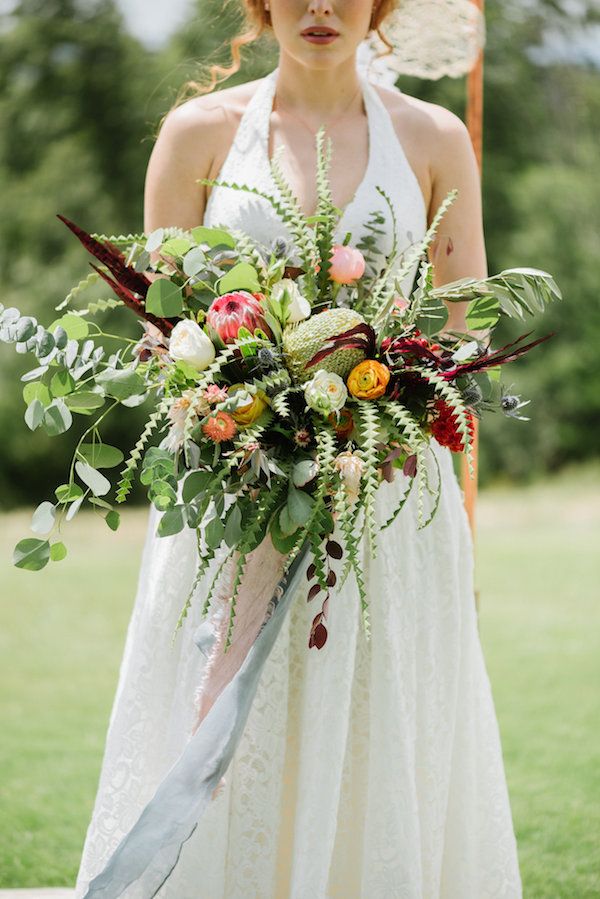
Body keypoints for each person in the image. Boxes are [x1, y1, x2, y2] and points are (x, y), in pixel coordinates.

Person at [75, 1, 523, 896]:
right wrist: (239, 405)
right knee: (231, 719)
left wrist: (401, 412)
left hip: (388, 492)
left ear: (379, 6)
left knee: (374, 711)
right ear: (261, 4)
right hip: (234, 491)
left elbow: (463, 338)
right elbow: (163, 331)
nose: (322, 7)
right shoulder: (199, 133)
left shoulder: (434, 140)